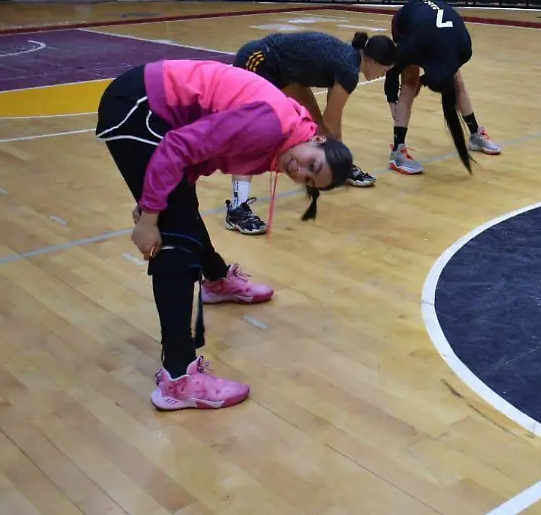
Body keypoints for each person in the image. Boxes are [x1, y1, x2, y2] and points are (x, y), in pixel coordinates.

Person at [95, 59, 354, 410]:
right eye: (312, 163)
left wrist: (157, 199)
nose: (300, 172)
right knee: (175, 237)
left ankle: (216, 280)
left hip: (148, 104)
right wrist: (151, 215)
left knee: (180, 211)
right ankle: (177, 380)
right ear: (318, 139)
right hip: (139, 105)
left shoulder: (286, 138)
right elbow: (178, 146)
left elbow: (204, 155)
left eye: (308, 180)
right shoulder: (272, 126)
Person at [223, 30, 397, 235]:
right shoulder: (349, 70)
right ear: (373, 61)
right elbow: (332, 122)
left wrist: (338, 159)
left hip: (285, 71)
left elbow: (327, 121)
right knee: (255, 133)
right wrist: (339, 158)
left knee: (315, 123)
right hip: (258, 59)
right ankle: (236, 208)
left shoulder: (349, 60)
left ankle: (342, 165)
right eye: (385, 70)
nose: (383, 75)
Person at [383, 0, 500, 175]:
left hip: (437, 28)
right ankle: (397, 152)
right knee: (409, 81)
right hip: (407, 21)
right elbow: (392, 71)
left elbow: (446, 76)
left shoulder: (464, 50)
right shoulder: (412, 47)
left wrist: (424, 81)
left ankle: (475, 134)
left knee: (457, 80)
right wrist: (392, 100)